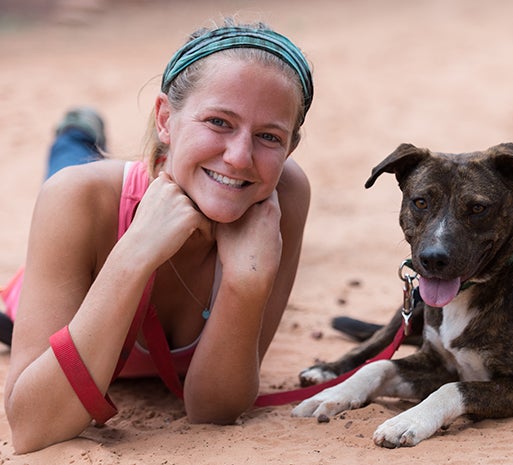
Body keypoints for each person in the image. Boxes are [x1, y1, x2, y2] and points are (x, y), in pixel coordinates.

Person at [2, 18, 314, 454]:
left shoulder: (285, 193)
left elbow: (212, 409)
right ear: (165, 118)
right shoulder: (79, 199)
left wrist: (246, 283)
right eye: (219, 122)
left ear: (290, 149)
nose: (240, 157)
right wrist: (133, 253)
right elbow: (33, 427)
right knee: (66, 175)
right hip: (78, 227)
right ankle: (76, 133)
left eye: (268, 136)